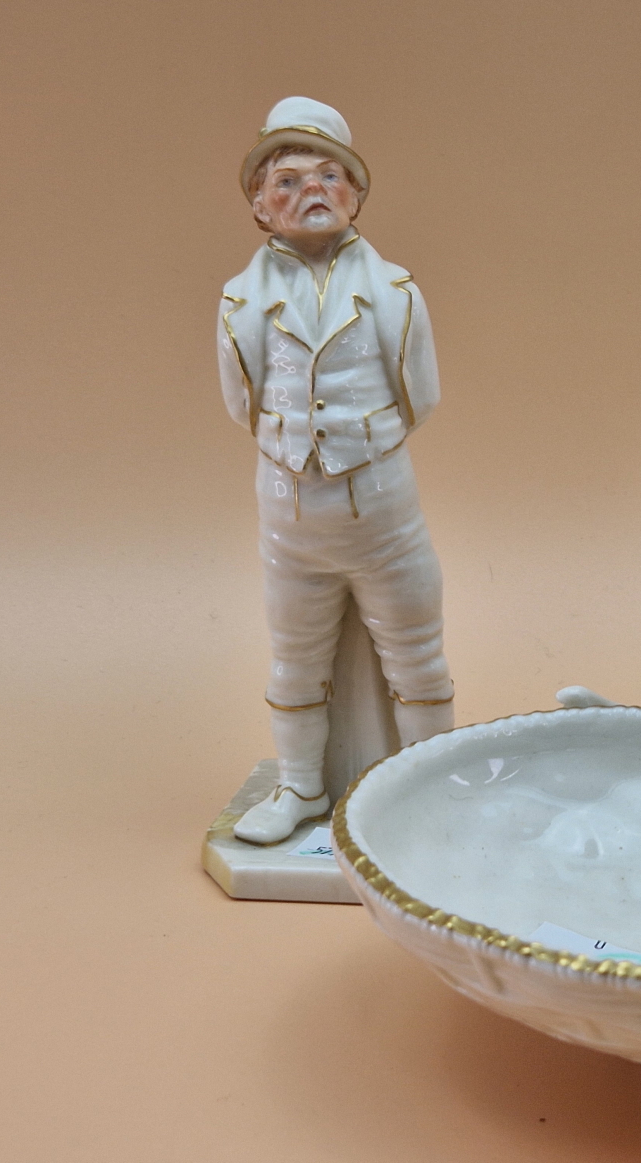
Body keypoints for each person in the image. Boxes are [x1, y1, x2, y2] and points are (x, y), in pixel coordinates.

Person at [217, 97, 453, 843]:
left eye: (329, 175)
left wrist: (359, 450)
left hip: (384, 514)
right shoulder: (238, 303)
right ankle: (300, 788)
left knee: (415, 652)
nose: (310, 190)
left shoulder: (396, 294)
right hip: (289, 520)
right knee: (293, 660)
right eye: (286, 180)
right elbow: (242, 400)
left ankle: (431, 784)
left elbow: (421, 393)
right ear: (259, 206)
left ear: (356, 194)